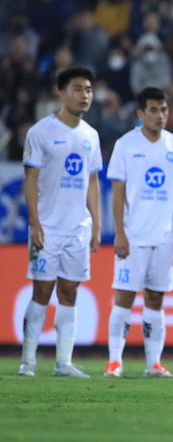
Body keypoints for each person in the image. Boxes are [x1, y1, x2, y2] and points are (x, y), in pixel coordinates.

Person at [103, 87, 173, 377]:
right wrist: (119, 233)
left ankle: (153, 363)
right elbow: (117, 194)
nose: (161, 115)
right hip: (133, 236)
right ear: (140, 114)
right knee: (125, 297)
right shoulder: (126, 145)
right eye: (154, 110)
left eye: (164, 110)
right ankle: (114, 361)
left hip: (163, 238)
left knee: (156, 299)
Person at [18, 67, 102, 378]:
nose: (85, 95)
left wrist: (96, 224)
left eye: (89, 90)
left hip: (77, 229)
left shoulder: (91, 136)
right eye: (78, 89)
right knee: (42, 292)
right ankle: (28, 362)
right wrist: (34, 223)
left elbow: (92, 182)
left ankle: (63, 363)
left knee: (70, 292)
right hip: (48, 228)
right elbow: (31, 179)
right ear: (62, 93)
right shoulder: (41, 132)